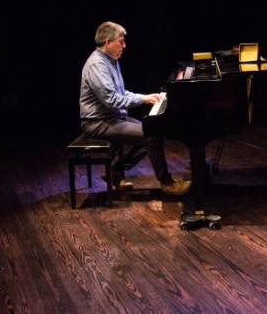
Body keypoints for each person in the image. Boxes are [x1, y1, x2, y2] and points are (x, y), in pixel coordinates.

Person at [79, 21, 192, 195]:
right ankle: (167, 183)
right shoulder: (97, 65)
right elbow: (112, 100)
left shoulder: (111, 61)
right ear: (108, 41)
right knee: (151, 135)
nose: (124, 45)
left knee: (154, 130)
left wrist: (146, 98)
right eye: (120, 41)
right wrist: (143, 100)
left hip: (112, 117)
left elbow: (122, 92)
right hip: (97, 122)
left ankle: (114, 172)